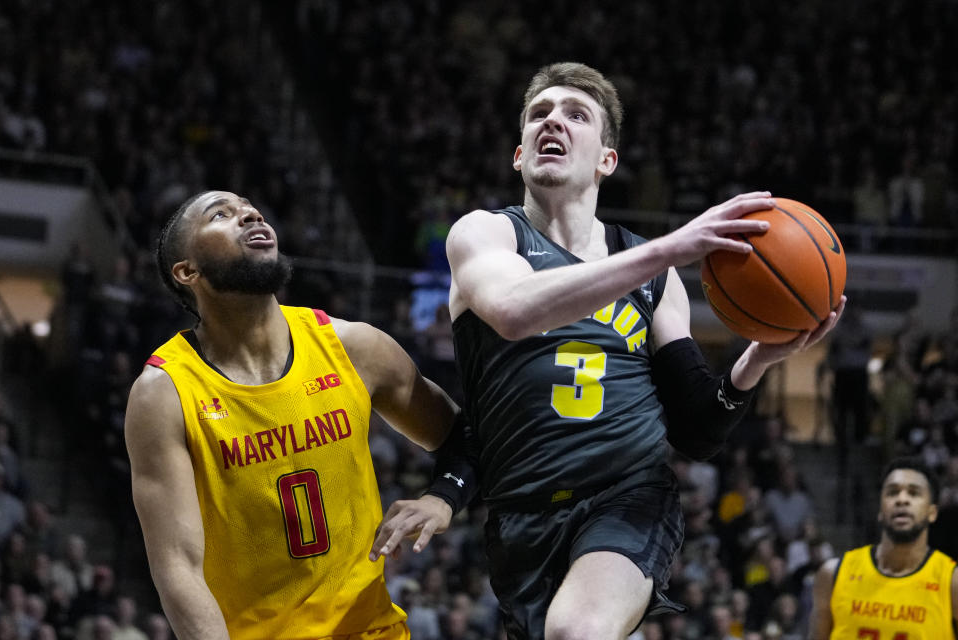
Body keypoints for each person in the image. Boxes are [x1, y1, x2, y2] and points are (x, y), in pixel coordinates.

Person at [370, 62, 844, 640]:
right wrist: (670, 248)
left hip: (629, 495)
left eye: (577, 115)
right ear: (519, 155)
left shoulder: (653, 274)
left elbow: (696, 429)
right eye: (539, 114)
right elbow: (516, 311)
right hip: (522, 513)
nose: (554, 122)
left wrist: (759, 358)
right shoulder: (487, 234)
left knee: (579, 632)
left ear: (606, 161)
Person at [124, 191, 459, 639]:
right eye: (220, 215)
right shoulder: (164, 393)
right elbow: (179, 568)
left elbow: (463, 436)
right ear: (187, 271)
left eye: (249, 208)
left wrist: (443, 498)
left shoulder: (354, 347)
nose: (249, 214)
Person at [808, 457, 958, 639]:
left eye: (914, 493)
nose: (902, 499)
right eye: (892, 492)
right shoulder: (833, 574)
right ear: (880, 510)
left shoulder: (951, 582)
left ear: (932, 512)